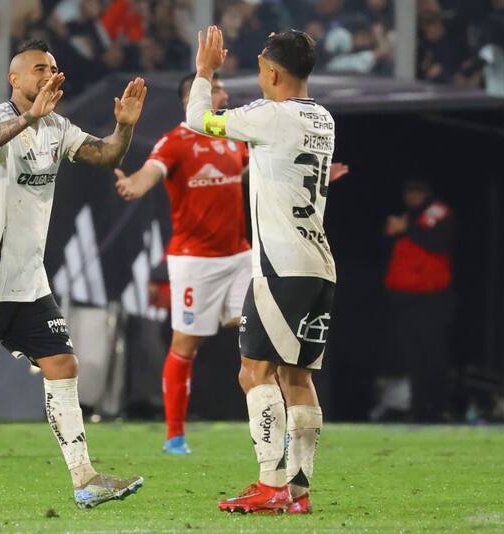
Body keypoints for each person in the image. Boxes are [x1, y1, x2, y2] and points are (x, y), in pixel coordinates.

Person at [0, 38, 147, 510]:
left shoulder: (57, 126)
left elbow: (107, 155)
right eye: (38, 68)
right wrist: (28, 118)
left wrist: (124, 128)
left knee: (63, 365)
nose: (48, 74)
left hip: (30, 282)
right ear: (15, 79)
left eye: (52, 68)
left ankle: (85, 478)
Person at [186, 27, 336, 514]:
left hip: (280, 265)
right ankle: (298, 491)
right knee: (297, 376)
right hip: (319, 264)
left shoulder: (269, 116)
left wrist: (205, 71)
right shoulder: (323, 118)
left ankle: (271, 484)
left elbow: (197, 120)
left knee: (253, 374)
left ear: (271, 71)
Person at [115, 72, 251, 455]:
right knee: (185, 346)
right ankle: (174, 436)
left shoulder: (231, 135)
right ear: (195, 97)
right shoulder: (175, 142)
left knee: (262, 339)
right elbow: (151, 171)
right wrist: (134, 185)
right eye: (218, 88)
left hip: (240, 256)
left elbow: (249, 166)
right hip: (195, 263)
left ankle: (274, 425)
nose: (225, 94)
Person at [383, 179, 455, 422]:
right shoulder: (406, 217)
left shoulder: (436, 212)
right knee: (412, 357)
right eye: (408, 191)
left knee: (433, 356)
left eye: (416, 191)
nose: (411, 196)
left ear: (426, 193)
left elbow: (439, 241)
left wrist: (407, 227)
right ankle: (417, 408)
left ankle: (436, 408)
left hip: (430, 298)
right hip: (405, 299)